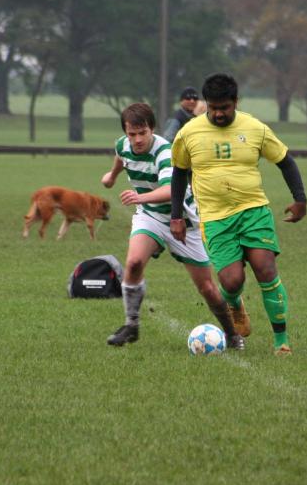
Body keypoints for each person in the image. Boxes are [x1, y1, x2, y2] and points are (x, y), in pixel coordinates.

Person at [170, 73, 307, 355]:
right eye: (213, 108)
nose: (218, 114)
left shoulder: (255, 128)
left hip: (253, 211)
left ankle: (281, 341)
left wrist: (300, 199)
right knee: (232, 281)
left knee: (266, 270)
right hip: (215, 218)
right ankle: (234, 302)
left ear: (236, 102)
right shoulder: (189, 133)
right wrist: (176, 216)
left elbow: (285, 161)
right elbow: (179, 173)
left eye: (224, 107)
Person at [101, 102, 244, 349]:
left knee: (207, 288)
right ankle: (131, 325)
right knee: (133, 263)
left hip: (184, 221)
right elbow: (120, 156)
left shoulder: (165, 152)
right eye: (131, 134)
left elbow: (170, 190)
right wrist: (111, 176)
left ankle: (232, 333)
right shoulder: (123, 145)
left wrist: (139, 197)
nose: (136, 140)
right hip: (151, 216)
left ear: (152, 129)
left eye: (142, 133)